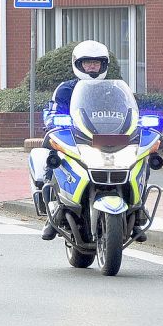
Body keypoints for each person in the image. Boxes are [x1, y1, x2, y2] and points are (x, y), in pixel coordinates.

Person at [39, 40, 148, 242]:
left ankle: (138, 210)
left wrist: (139, 121)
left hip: (110, 138)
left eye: (96, 63)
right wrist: (52, 120)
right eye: (87, 63)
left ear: (104, 65)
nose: (92, 67)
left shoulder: (114, 89)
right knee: (52, 160)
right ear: (78, 65)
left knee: (142, 160)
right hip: (78, 138)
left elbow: (129, 109)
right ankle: (52, 213)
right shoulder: (65, 89)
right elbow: (52, 112)